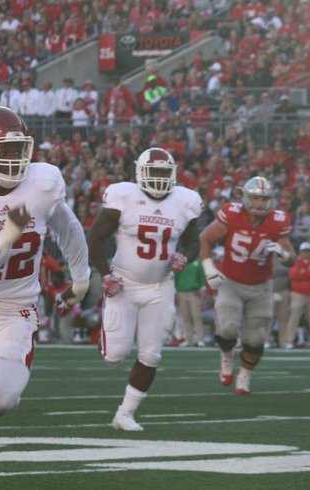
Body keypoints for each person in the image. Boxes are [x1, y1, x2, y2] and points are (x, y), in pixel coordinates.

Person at [0, 106, 90, 446]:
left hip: (15, 311)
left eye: (17, 150)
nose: (13, 158)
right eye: (2, 150)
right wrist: (8, 236)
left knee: (2, 398)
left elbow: (69, 227)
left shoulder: (42, 183)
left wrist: (81, 278)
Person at [87, 147, 202, 431]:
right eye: (154, 172)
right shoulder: (124, 196)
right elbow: (95, 236)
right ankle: (101, 330)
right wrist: (105, 274)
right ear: (140, 173)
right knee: (114, 356)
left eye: (164, 173)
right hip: (123, 284)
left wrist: (184, 256)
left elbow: (193, 241)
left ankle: (125, 413)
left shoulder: (185, 201)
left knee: (151, 355)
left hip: (160, 287)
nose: (160, 179)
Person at [199, 176, 296, 394]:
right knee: (227, 329)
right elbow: (205, 238)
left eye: (264, 199)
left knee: (256, 338)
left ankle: (244, 374)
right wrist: (208, 268)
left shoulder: (278, 221)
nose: (260, 203)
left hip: (261, 286)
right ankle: (226, 356)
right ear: (245, 197)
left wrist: (283, 253)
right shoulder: (232, 214)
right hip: (231, 282)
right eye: (255, 198)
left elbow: (292, 258)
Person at [284, 240, 310, 348]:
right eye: (304, 251)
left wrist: (304, 272)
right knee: (294, 317)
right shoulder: (296, 261)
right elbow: (294, 275)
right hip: (298, 294)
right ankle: (289, 340)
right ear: (300, 252)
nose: (306, 253)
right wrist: (308, 273)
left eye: (307, 251)